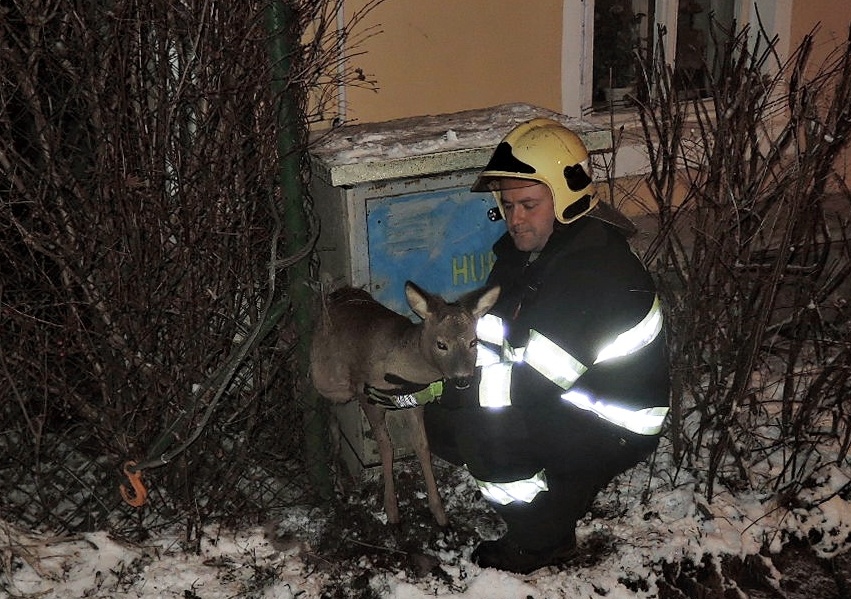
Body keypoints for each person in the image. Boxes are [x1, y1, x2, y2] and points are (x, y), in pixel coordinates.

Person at [424, 118, 670, 574]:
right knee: (445, 423)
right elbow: (492, 335)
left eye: (529, 204)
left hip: (615, 418)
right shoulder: (525, 255)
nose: (515, 218)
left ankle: (542, 536)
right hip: (572, 397)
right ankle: (557, 484)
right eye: (508, 203)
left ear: (568, 197)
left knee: (482, 432)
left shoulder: (595, 271)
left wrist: (453, 391)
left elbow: (533, 381)